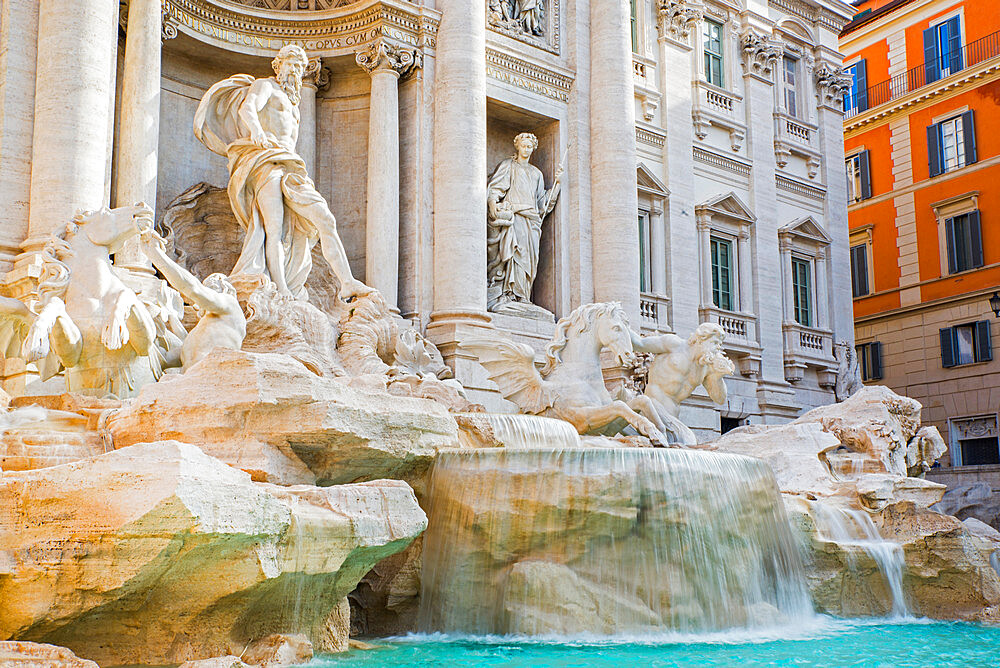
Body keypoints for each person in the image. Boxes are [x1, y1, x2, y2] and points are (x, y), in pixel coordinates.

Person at [194, 44, 371, 301]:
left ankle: (347, 282)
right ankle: (281, 289)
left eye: (299, 67)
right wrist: (256, 131)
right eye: (290, 63)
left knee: (325, 219)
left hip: (291, 167)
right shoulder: (267, 86)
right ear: (278, 66)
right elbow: (248, 108)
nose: (295, 70)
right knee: (273, 229)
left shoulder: (295, 106)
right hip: (265, 162)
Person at [137, 223, 246, 371]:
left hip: (211, 379)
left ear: (226, 290)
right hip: (187, 381)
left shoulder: (229, 305)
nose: (200, 302)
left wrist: (156, 255)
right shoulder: (201, 331)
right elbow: (168, 358)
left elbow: (193, 289)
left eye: (212, 289)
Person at [486, 132, 561, 309]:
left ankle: (523, 296)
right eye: (523, 146)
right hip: (516, 217)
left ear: (533, 149)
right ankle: (509, 293)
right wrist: (492, 204)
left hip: (532, 220)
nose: (526, 149)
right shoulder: (508, 166)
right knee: (515, 255)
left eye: (529, 147)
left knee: (529, 259)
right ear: (517, 146)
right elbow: (495, 189)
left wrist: (557, 185)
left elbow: (542, 202)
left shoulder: (536, 173)